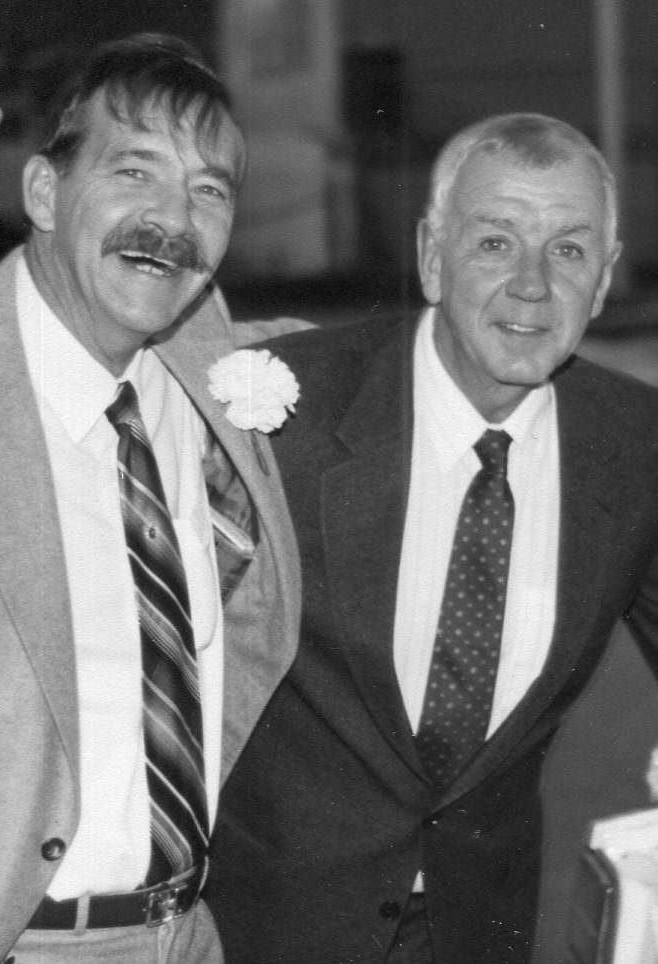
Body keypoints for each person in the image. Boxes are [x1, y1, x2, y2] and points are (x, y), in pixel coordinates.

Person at [207, 113, 658, 964]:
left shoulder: (636, 446)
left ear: (604, 279)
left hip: (477, 926)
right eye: (495, 242)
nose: (532, 285)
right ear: (430, 256)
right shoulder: (287, 410)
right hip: (266, 924)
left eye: (568, 250)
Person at [0, 32, 300, 964]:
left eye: (209, 190)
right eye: (135, 171)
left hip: (188, 933)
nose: (173, 219)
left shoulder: (201, 377)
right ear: (45, 192)